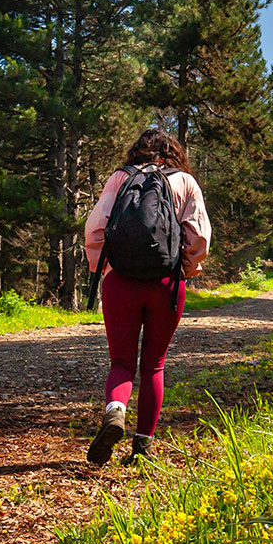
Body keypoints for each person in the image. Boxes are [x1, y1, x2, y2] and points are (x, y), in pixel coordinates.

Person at [83, 127, 211, 464]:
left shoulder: (120, 179)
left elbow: (95, 229)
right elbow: (199, 236)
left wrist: (106, 267)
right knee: (153, 364)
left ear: (137, 151)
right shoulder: (184, 182)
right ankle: (142, 447)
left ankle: (115, 411)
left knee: (121, 362)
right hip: (166, 285)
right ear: (173, 154)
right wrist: (186, 269)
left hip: (119, 281)